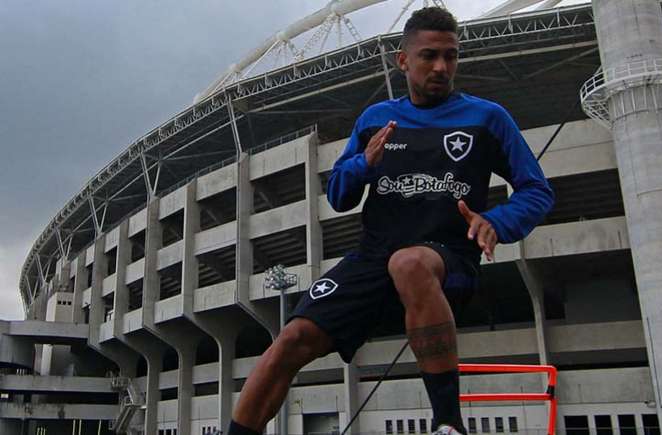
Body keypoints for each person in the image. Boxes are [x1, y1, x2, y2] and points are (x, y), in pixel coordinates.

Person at [228, 7, 553, 435]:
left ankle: (448, 425)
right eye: (429, 55)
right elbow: (339, 196)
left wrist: (497, 220)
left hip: (446, 257)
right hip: (372, 257)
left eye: (451, 56)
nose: (441, 66)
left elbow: (536, 189)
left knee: (410, 263)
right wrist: (362, 164)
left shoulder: (487, 118)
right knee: (291, 339)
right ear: (403, 61)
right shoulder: (377, 120)